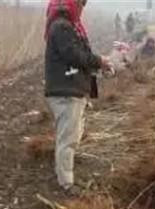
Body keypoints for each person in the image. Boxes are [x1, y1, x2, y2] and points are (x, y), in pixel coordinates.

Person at [44, 0, 113, 195]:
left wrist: (97, 64)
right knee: (68, 139)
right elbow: (74, 56)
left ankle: (64, 175)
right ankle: (66, 184)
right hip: (66, 91)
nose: (83, 9)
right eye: (81, 4)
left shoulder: (67, 26)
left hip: (70, 89)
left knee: (70, 137)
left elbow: (80, 55)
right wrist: (99, 61)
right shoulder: (62, 27)